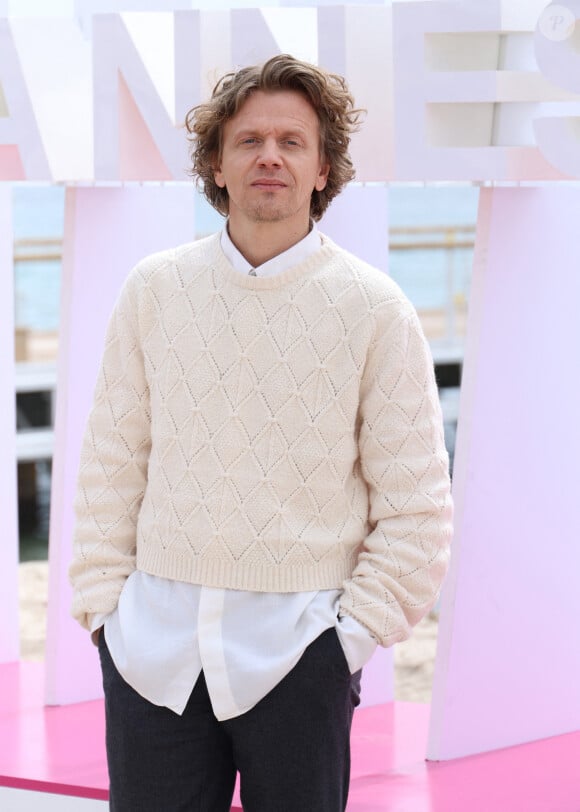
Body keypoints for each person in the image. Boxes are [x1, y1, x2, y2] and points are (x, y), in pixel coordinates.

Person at [69, 54, 453, 812]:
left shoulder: (375, 310)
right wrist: (104, 617)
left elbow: (418, 506)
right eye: (247, 141)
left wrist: (346, 641)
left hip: (299, 656)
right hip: (152, 654)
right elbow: (112, 463)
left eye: (292, 141)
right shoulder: (154, 290)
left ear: (322, 170)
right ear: (217, 164)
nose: (269, 156)